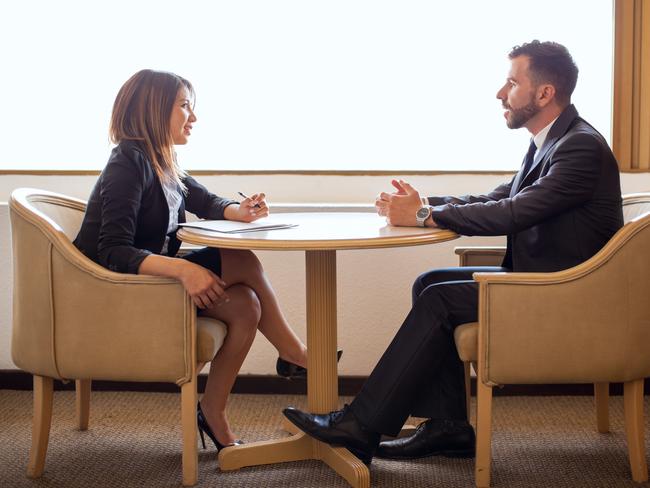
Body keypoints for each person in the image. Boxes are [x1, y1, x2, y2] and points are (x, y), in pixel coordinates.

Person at [283, 40, 624, 465]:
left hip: (564, 295)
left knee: (441, 297)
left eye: (512, 82)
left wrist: (424, 214)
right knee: (432, 282)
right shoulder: (550, 142)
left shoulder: (580, 147)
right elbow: (497, 196)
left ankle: (360, 424)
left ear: (544, 93)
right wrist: (426, 203)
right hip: (546, 283)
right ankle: (449, 428)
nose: (501, 93)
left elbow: (513, 212)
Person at [74, 69, 311, 451]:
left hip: (148, 284)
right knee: (242, 261)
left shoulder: (165, 164)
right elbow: (113, 251)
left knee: (246, 306)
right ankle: (297, 355)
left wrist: (241, 210)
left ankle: (213, 411)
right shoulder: (127, 163)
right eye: (185, 106)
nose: (194, 118)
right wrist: (185, 269)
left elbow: (208, 202)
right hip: (117, 293)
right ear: (154, 110)